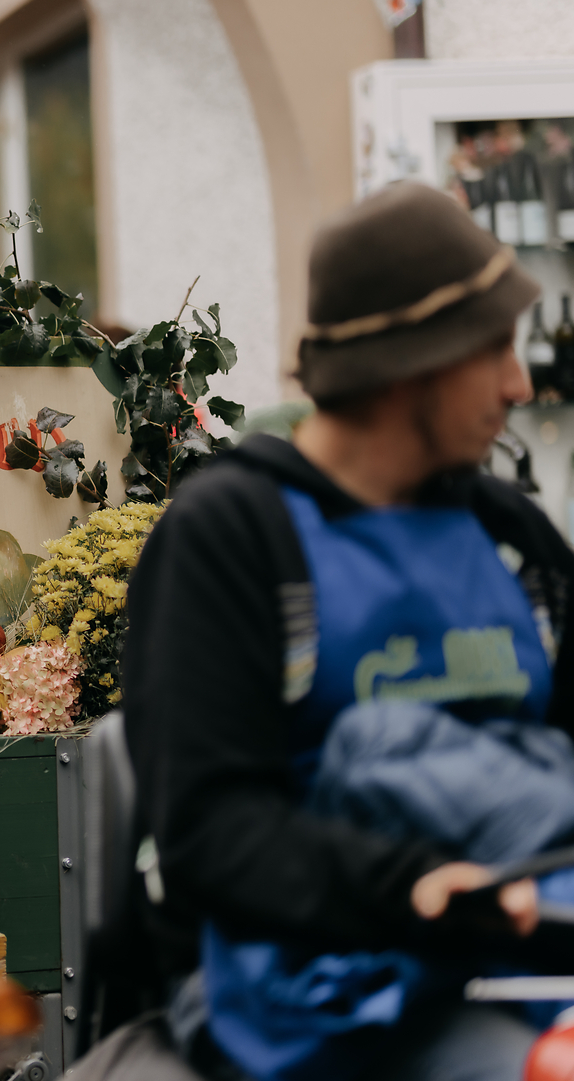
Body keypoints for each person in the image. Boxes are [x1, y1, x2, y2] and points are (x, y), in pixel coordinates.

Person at [122, 182, 568, 1080]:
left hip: (521, 935)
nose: (521, 386)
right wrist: (410, 883)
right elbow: (209, 831)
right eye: (494, 352)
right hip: (295, 977)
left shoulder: (508, 534)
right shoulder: (233, 536)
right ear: (413, 364)